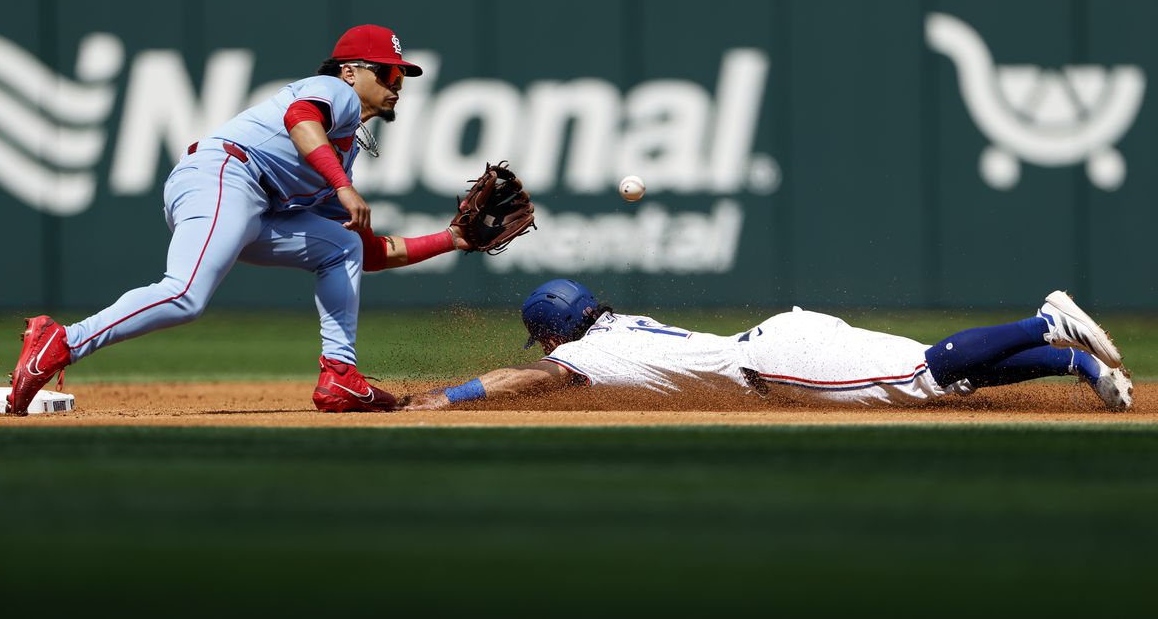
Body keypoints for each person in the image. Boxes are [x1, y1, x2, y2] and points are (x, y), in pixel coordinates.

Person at [8, 25, 472, 415]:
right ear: (351, 71)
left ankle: (340, 377)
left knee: (341, 246)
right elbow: (300, 116)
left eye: (402, 77)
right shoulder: (336, 92)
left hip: (250, 203)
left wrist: (451, 239)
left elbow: (366, 251)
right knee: (186, 295)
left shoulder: (341, 154)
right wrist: (342, 186)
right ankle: (61, 341)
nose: (397, 84)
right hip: (225, 174)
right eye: (390, 72)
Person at [400, 279, 1133, 411]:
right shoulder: (619, 328)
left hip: (776, 361)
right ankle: (1075, 364)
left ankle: (1046, 321)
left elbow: (517, 380)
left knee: (922, 375)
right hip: (789, 337)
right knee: (952, 380)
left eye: (543, 341)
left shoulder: (588, 357)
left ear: (554, 335)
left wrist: (445, 397)